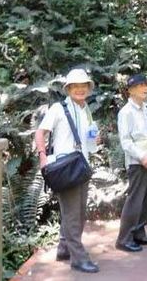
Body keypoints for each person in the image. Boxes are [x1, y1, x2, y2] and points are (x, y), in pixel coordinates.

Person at [35, 68, 100, 273]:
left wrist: (95, 139)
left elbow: (89, 139)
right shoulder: (58, 108)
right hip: (65, 167)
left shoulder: (85, 109)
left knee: (77, 212)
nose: (80, 89)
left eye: (83, 86)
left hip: (82, 166)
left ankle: (64, 248)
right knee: (74, 215)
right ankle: (79, 258)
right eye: (75, 86)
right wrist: (43, 157)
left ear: (88, 88)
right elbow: (40, 132)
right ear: (68, 89)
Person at [115, 74, 147, 252]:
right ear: (130, 90)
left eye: (146, 85)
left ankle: (139, 234)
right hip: (137, 162)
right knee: (135, 200)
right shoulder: (126, 112)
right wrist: (143, 157)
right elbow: (126, 142)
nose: (145, 88)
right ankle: (124, 239)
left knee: (146, 199)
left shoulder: (144, 109)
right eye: (141, 85)